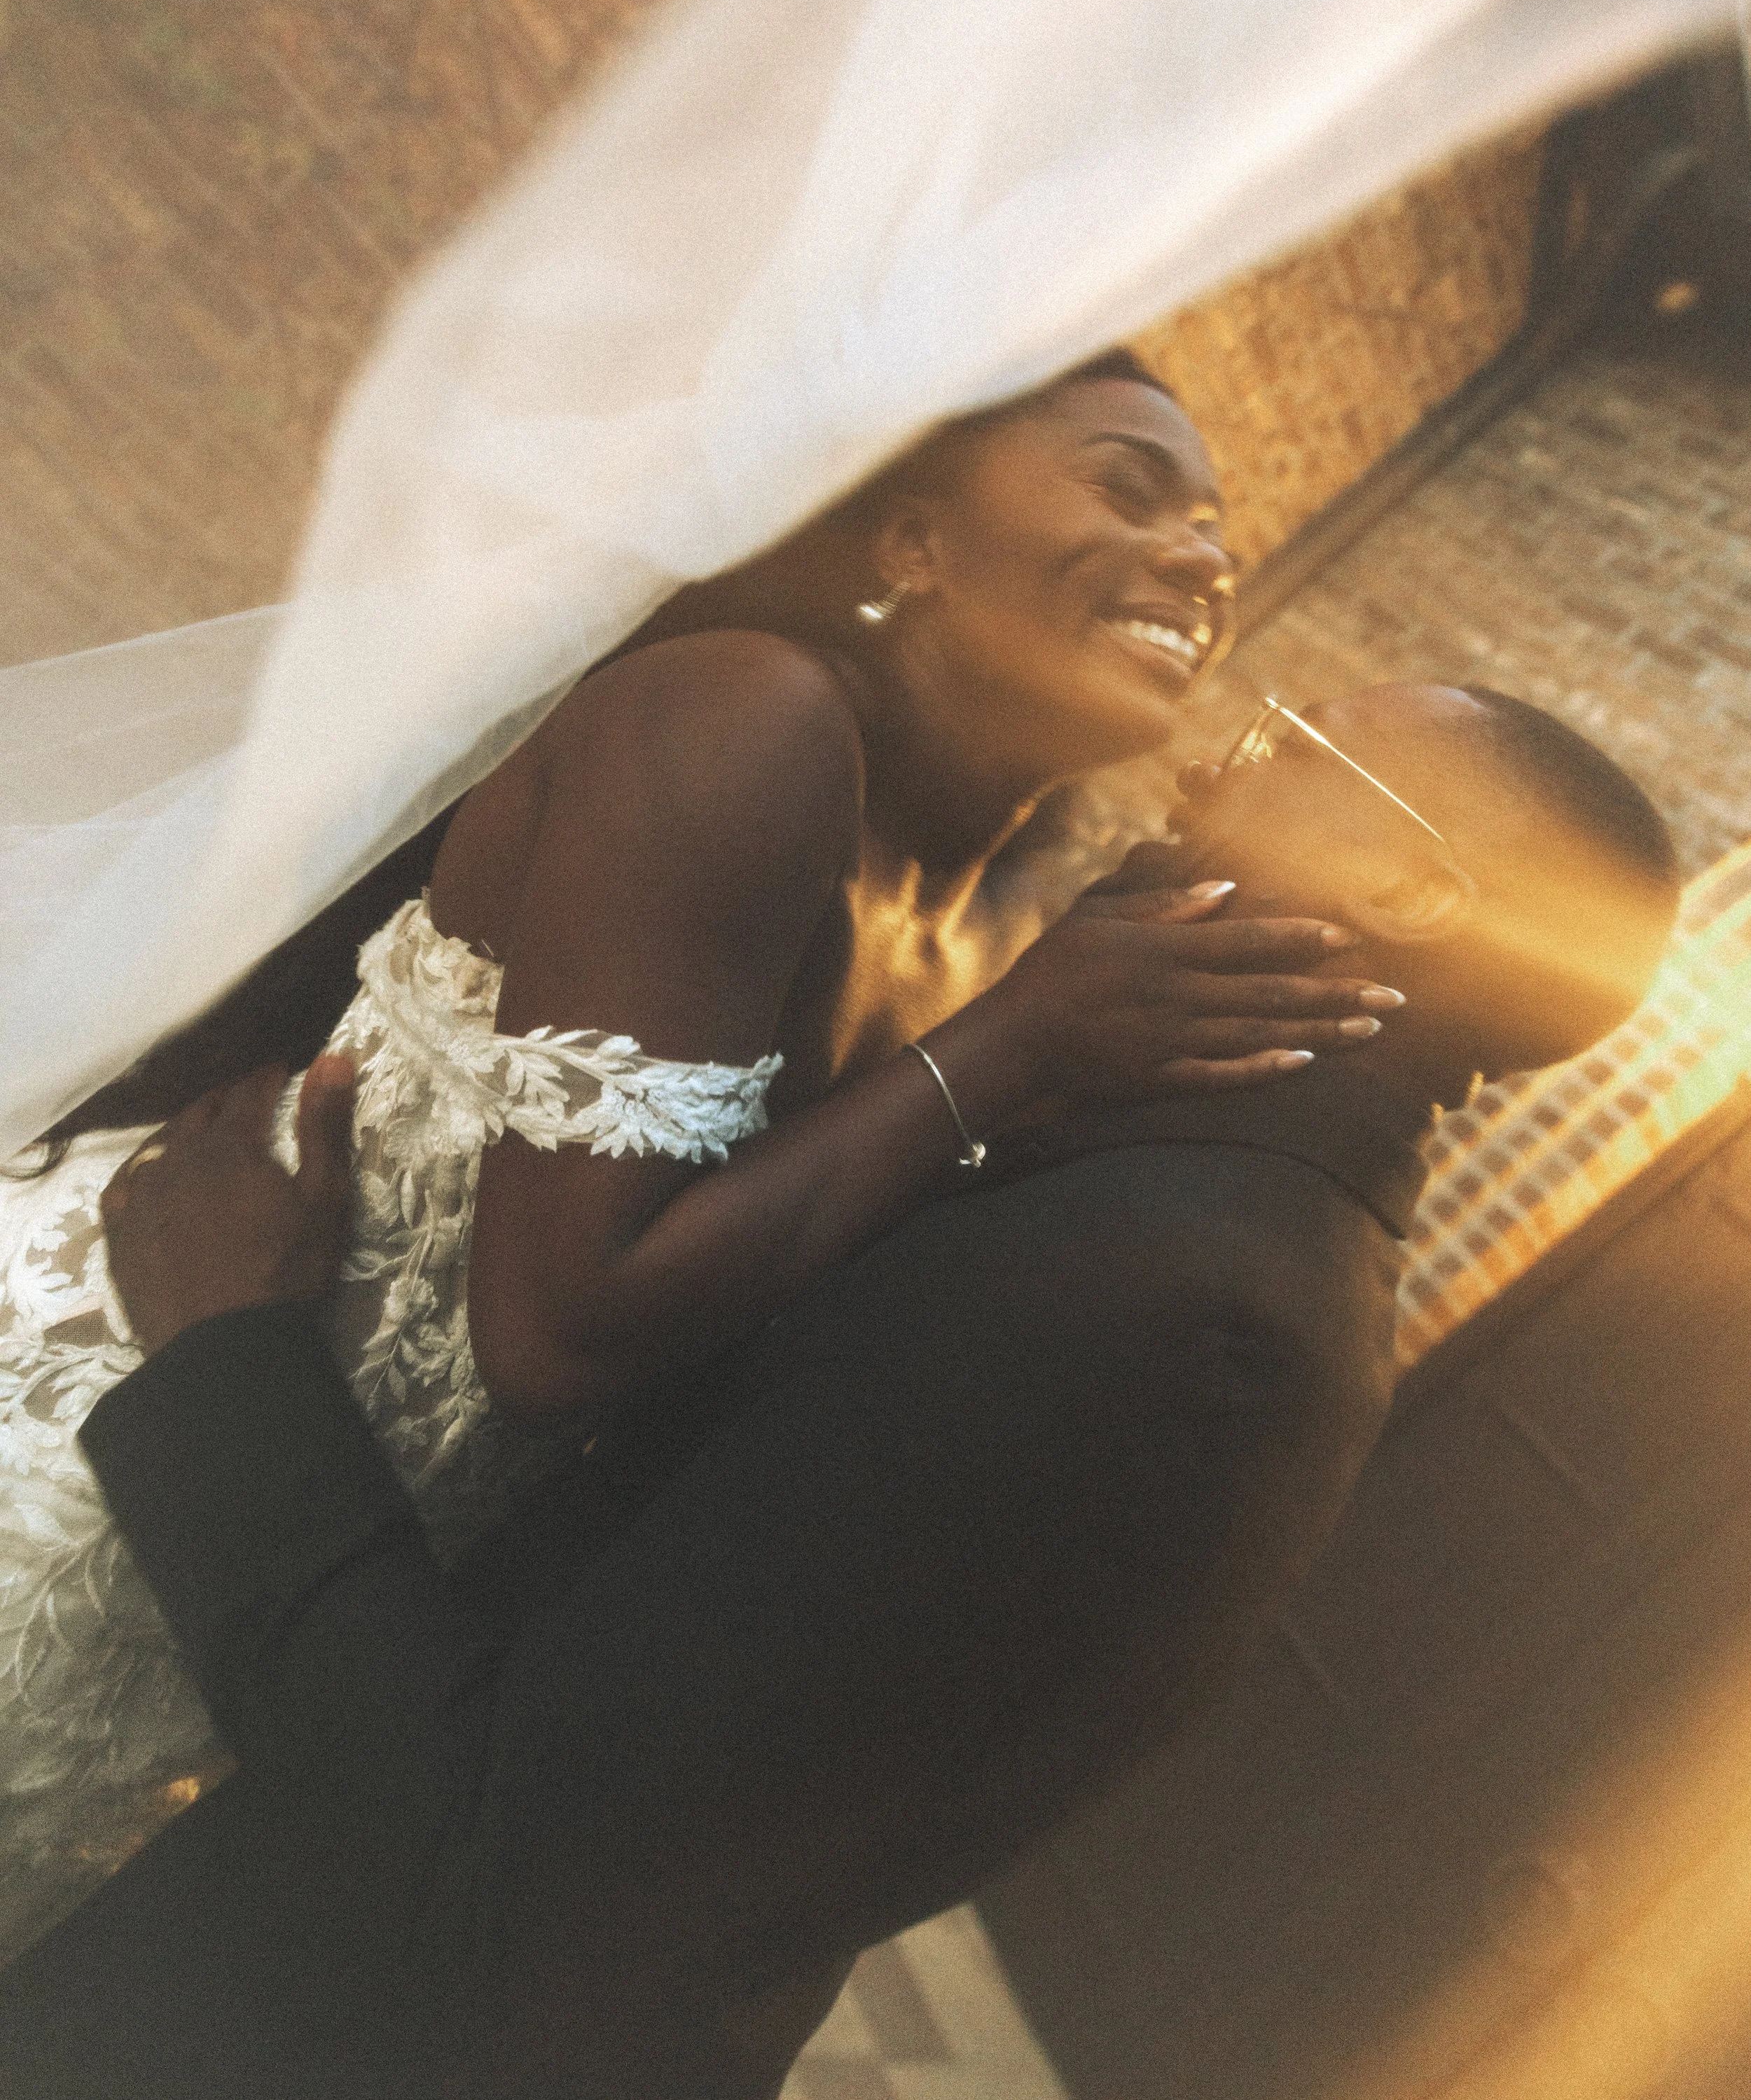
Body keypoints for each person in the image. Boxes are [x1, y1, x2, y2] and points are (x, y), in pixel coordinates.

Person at [0, 677, 1678, 2100]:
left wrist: (225, 1353)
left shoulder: (1188, 1317)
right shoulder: (1155, 1191)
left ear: (1416, 888)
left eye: (1293, 745)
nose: (1208, 760)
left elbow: (513, 1897)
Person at [0, 355, 1399, 1960]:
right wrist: (1011, 1054)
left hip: (221, 1591)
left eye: (1214, 526)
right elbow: (560, 1321)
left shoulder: (981, 939)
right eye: (1127, 487)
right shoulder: (749, 717)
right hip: (88, 1432)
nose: (1199, 556)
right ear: (912, 541)